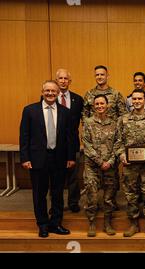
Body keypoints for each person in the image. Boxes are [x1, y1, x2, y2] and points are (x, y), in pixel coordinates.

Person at [20, 80, 75, 237]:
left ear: (58, 93)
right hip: (37, 159)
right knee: (39, 193)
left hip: (59, 158)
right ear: (42, 91)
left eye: (53, 91)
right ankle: (43, 224)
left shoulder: (65, 112)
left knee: (57, 193)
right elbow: (24, 136)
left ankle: (56, 223)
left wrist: (71, 157)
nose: (50, 94)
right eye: (47, 91)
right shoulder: (30, 110)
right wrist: (25, 158)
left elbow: (70, 137)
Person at [116, 89, 145, 237]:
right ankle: (134, 223)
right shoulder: (123, 119)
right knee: (131, 195)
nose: (136, 102)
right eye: (134, 99)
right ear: (131, 101)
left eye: (139, 99)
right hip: (130, 165)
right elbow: (118, 142)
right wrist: (122, 155)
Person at [83, 65, 127, 211]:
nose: (100, 77)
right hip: (94, 135)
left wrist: (117, 133)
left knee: (111, 181)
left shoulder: (115, 94)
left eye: (102, 74)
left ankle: (110, 205)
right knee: (92, 184)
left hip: (112, 138)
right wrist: (91, 129)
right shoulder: (89, 94)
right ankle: (93, 208)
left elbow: (122, 115)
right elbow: (85, 115)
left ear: (107, 76)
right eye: (97, 75)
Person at [82, 95, 118, 237]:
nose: (99, 106)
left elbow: (118, 143)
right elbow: (87, 144)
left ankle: (107, 222)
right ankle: (91, 222)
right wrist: (99, 161)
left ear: (107, 105)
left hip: (110, 165)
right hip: (92, 165)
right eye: (96, 104)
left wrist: (110, 161)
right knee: (92, 194)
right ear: (93, 106)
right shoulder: (88, 123)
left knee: (109, 196)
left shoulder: (114, 123)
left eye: (102, 103)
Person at [55, 68, 84, 213]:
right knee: (56, 177)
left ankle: (73, 202)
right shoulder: (49, 97)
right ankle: (56, 204)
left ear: (70, 81)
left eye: (66, 79)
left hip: (73, 144)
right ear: (56, 81)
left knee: (73, 177)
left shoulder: (78, 99)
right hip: (54, 146)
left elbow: (84, 121)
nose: (63, 81)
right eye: (60, 78)